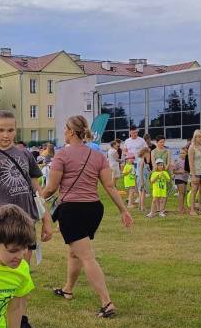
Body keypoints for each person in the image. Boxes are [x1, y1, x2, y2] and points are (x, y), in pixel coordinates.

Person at [0, 110, 52, 328]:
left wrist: (46, 220)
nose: (5, 135)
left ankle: (20, 319)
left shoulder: (25, 154)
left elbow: (37, 189)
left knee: (21, 273)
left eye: (10, 130)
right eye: (1, 130)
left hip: (25, 223)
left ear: (16, 130)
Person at [42, 115, 133, 317]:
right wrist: (123, 210)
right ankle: (68, 289)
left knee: (86, 256)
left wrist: (33, 198)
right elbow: (109, 186)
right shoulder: (98, 156)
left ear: (71, 131)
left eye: (65, 129)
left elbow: (50, 188)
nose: (63, 132)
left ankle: (107, 303)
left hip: (72, 210)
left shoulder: (62, 155)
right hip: (94, 209)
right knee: (75, 251)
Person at [187, 129, 201, 215]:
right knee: (194, 191)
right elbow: (190, 163)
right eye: (199, 137)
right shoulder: (191, 148)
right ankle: (192, 210)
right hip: (196, 173)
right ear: (195, 137)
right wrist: (193, 175)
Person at [172, 147, 189, 214]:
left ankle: (183, 207)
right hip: (179, 178)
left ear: (187, 154)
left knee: (184, 193)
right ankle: (180, 209)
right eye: (181, 153)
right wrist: (179, 171)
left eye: (183, 153)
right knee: (181, 193)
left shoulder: (188, 161)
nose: (182, 154)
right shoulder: (178, 161)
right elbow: (173, 171)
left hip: (185, 179)